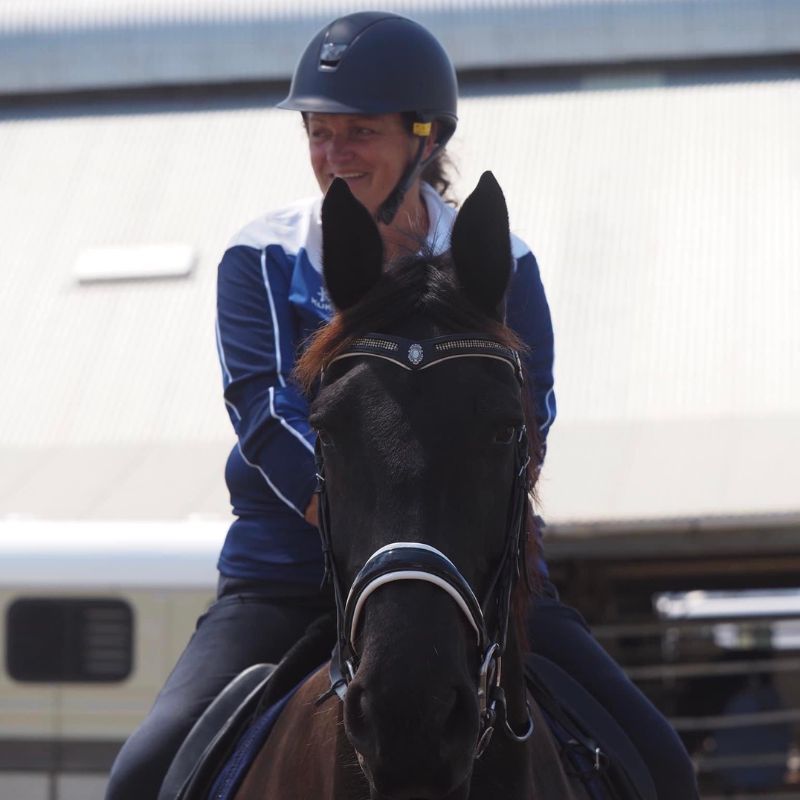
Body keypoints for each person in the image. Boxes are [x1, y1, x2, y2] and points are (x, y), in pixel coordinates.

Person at [106, 11, 696, 800]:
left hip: (473, 575)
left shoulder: (504, 265)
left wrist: (425, 548)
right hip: (287, 574)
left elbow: (531, 415)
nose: (332, 155)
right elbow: (265, 413)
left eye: (359, 133)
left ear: (425, 137)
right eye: (319, 132)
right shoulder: (261, 255)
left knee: (661, 763)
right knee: (143, 773)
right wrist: (370, 533)